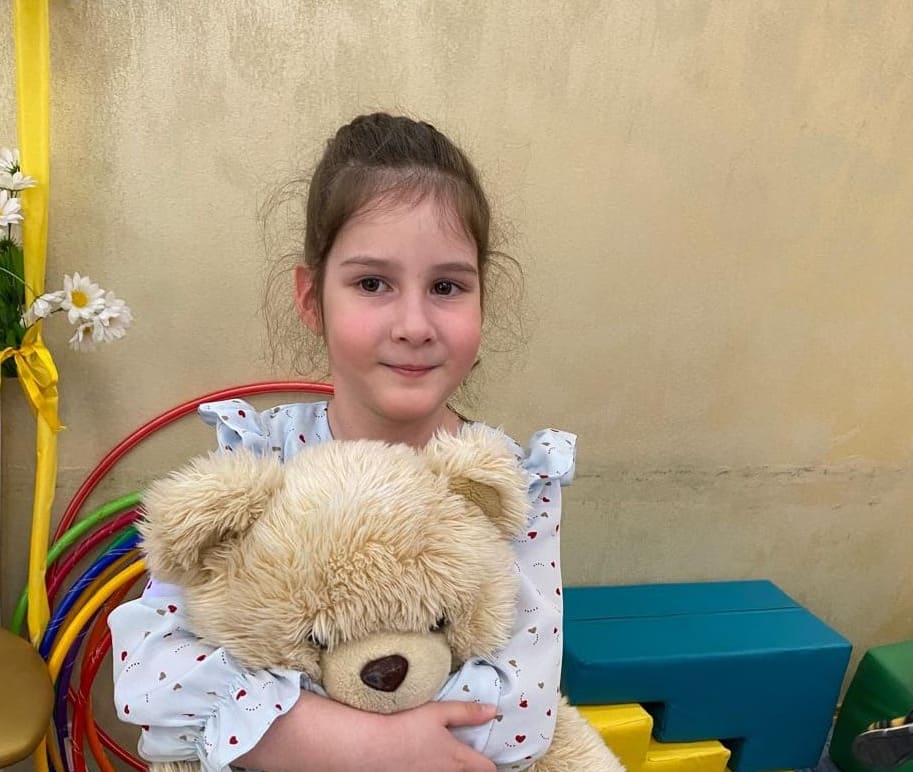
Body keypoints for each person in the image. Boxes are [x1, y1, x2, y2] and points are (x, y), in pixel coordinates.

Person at [109, 113, 576, 772]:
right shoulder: (259, 460)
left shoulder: (507, 483)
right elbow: (148, 669)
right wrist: (340, 741)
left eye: (446, 287)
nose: (413, 324)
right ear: (311, 299)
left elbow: (522, 714)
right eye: (372, 284)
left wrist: (258, 717)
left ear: (481, 300)